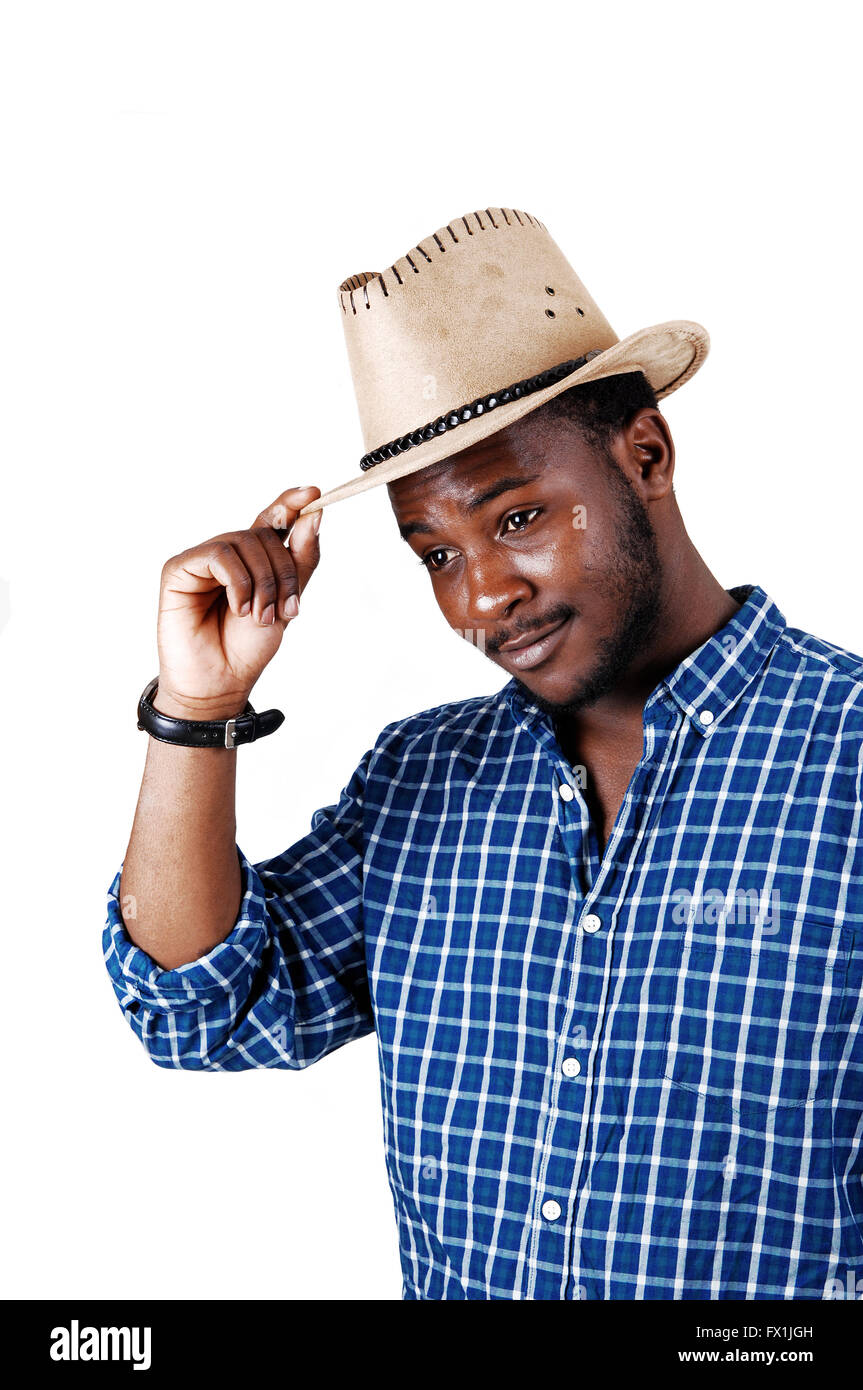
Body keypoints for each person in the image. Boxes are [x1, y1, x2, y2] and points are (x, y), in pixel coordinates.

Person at [105, 207, 863, 1301]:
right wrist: (198, 700)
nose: (479, 598)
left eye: (516, 519)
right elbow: (198, 1009)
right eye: (433, 555)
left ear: (644, 453)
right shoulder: (422, 781)